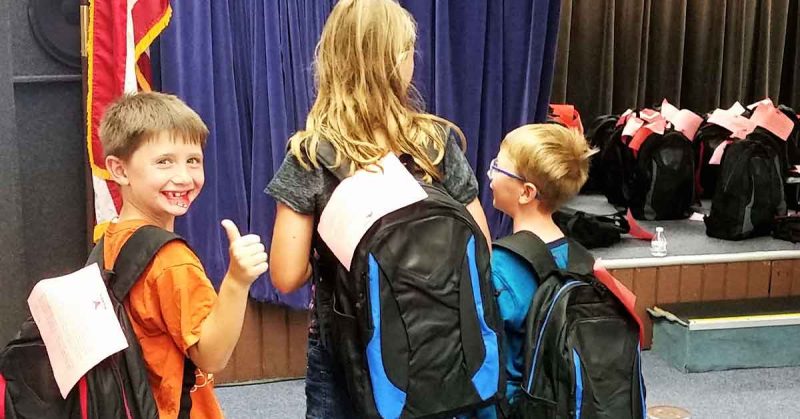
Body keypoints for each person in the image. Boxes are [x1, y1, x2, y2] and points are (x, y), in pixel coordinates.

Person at [265, 0, 492, 417]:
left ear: (330, 60)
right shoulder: (435, 143)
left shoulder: (312, 154)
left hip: (346, 346)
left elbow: (285, 274)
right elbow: (482, 246)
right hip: (438, 335)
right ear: (401, 61)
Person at [101, 91, 269, 418]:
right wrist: (236, 281)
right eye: (164, 161)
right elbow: (212, 355)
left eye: (193, 160)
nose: (183, 176)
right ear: (119, 170)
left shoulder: (110, 238)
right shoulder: (170, 261)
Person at [486, 123, 592, 405]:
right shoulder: (582, 259)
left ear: (526, 192)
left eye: (498, 166)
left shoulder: (500, 267)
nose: (490, 173)